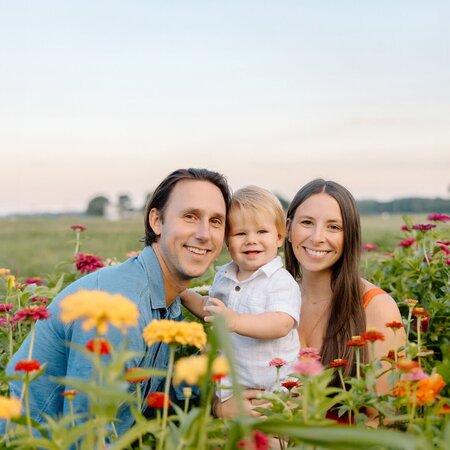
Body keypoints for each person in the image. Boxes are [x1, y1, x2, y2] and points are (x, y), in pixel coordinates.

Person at [3, 168, 232, 435]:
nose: (205, 234)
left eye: (216, 221)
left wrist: (213, 395)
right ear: (157, 221)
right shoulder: (120, 310)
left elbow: (137, 405)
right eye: (190, 216)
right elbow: (86, 435)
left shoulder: (165, 299)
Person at [218, 179, 406, 420]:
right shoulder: (268, 299)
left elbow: (385, 419)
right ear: (286, 230)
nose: (317, 237)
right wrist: (220, 407)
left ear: (349, 235)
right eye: (307, 223)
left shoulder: (376, 307)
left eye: (333, 227)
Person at [181, 185, 301, 406]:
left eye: (261, 232)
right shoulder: (224, 277)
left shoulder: (280, 281)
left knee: (274, 437)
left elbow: (281, 323)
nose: (251, 240)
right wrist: (183, 294)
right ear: (227, 241)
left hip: (276, 386)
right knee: (230, 436)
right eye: (240, 233)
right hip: (232, 385)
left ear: (279, 237)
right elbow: (212, 309)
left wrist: (235, 321)